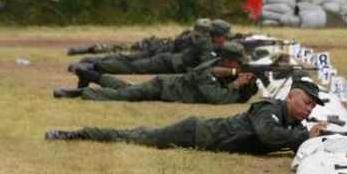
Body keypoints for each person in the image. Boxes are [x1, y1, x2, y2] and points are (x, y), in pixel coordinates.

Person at [45, 77, 329, 154]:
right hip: (194, 133)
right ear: (290, 96)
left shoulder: (290, 122)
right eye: (305, 102)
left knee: (139, 134)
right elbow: (268, 136)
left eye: (312, 108)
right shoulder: (268, 109)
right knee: (136, 137)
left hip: (201, 137)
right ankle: (76, 133)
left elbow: (286, 140)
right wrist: (304, 134)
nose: (307, 110)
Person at [53, 42, 258, 105]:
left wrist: (249, 83)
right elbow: (216, 98)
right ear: (229, 61)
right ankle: (78, 93)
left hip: (165, 88)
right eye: (237, 62)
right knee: (123, 96)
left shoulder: (222, 68)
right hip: (163, 86)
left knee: (127, 89)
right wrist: (236, 84)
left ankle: (91, 77)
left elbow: (244, 96)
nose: (240, 65)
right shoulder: (207, 72)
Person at [68, 19, 231, 83]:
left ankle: (92, 63)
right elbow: (204, 66)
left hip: (168, 60)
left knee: (130, 61)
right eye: (224, 36)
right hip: (168, 63)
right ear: (217, 35)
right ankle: (92, 67)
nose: (226, 40)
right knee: (132, 66)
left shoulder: (205, 41)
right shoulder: (206, 44)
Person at [65, 19, 212, 57]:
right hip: (155, 46)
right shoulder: (188, 37)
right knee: (122, 49)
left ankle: (86, 51)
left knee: (123, 53)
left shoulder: (199, 42)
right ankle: (88, 50)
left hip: (157, 51)